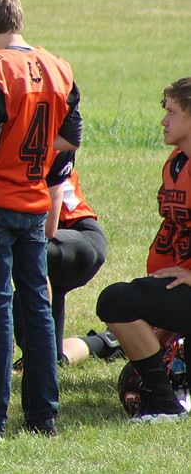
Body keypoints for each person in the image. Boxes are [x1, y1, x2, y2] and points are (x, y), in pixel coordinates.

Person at [0, 0, 81, 439]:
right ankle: (43, 415)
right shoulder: (58, 66)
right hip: (34, 201)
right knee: (39, 308)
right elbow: (72, 136)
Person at [0, 125, 114, 365]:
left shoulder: (42, 142)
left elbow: (48, 230)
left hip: (72, 235)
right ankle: (106, 341)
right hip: (38, 242)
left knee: (20, 269)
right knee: (52, 358)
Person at [96, 77, 191, 422]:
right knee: (133, 300)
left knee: (115, 300)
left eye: (172, 112)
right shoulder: (176, 162)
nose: (164, 121)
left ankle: (163, 405)